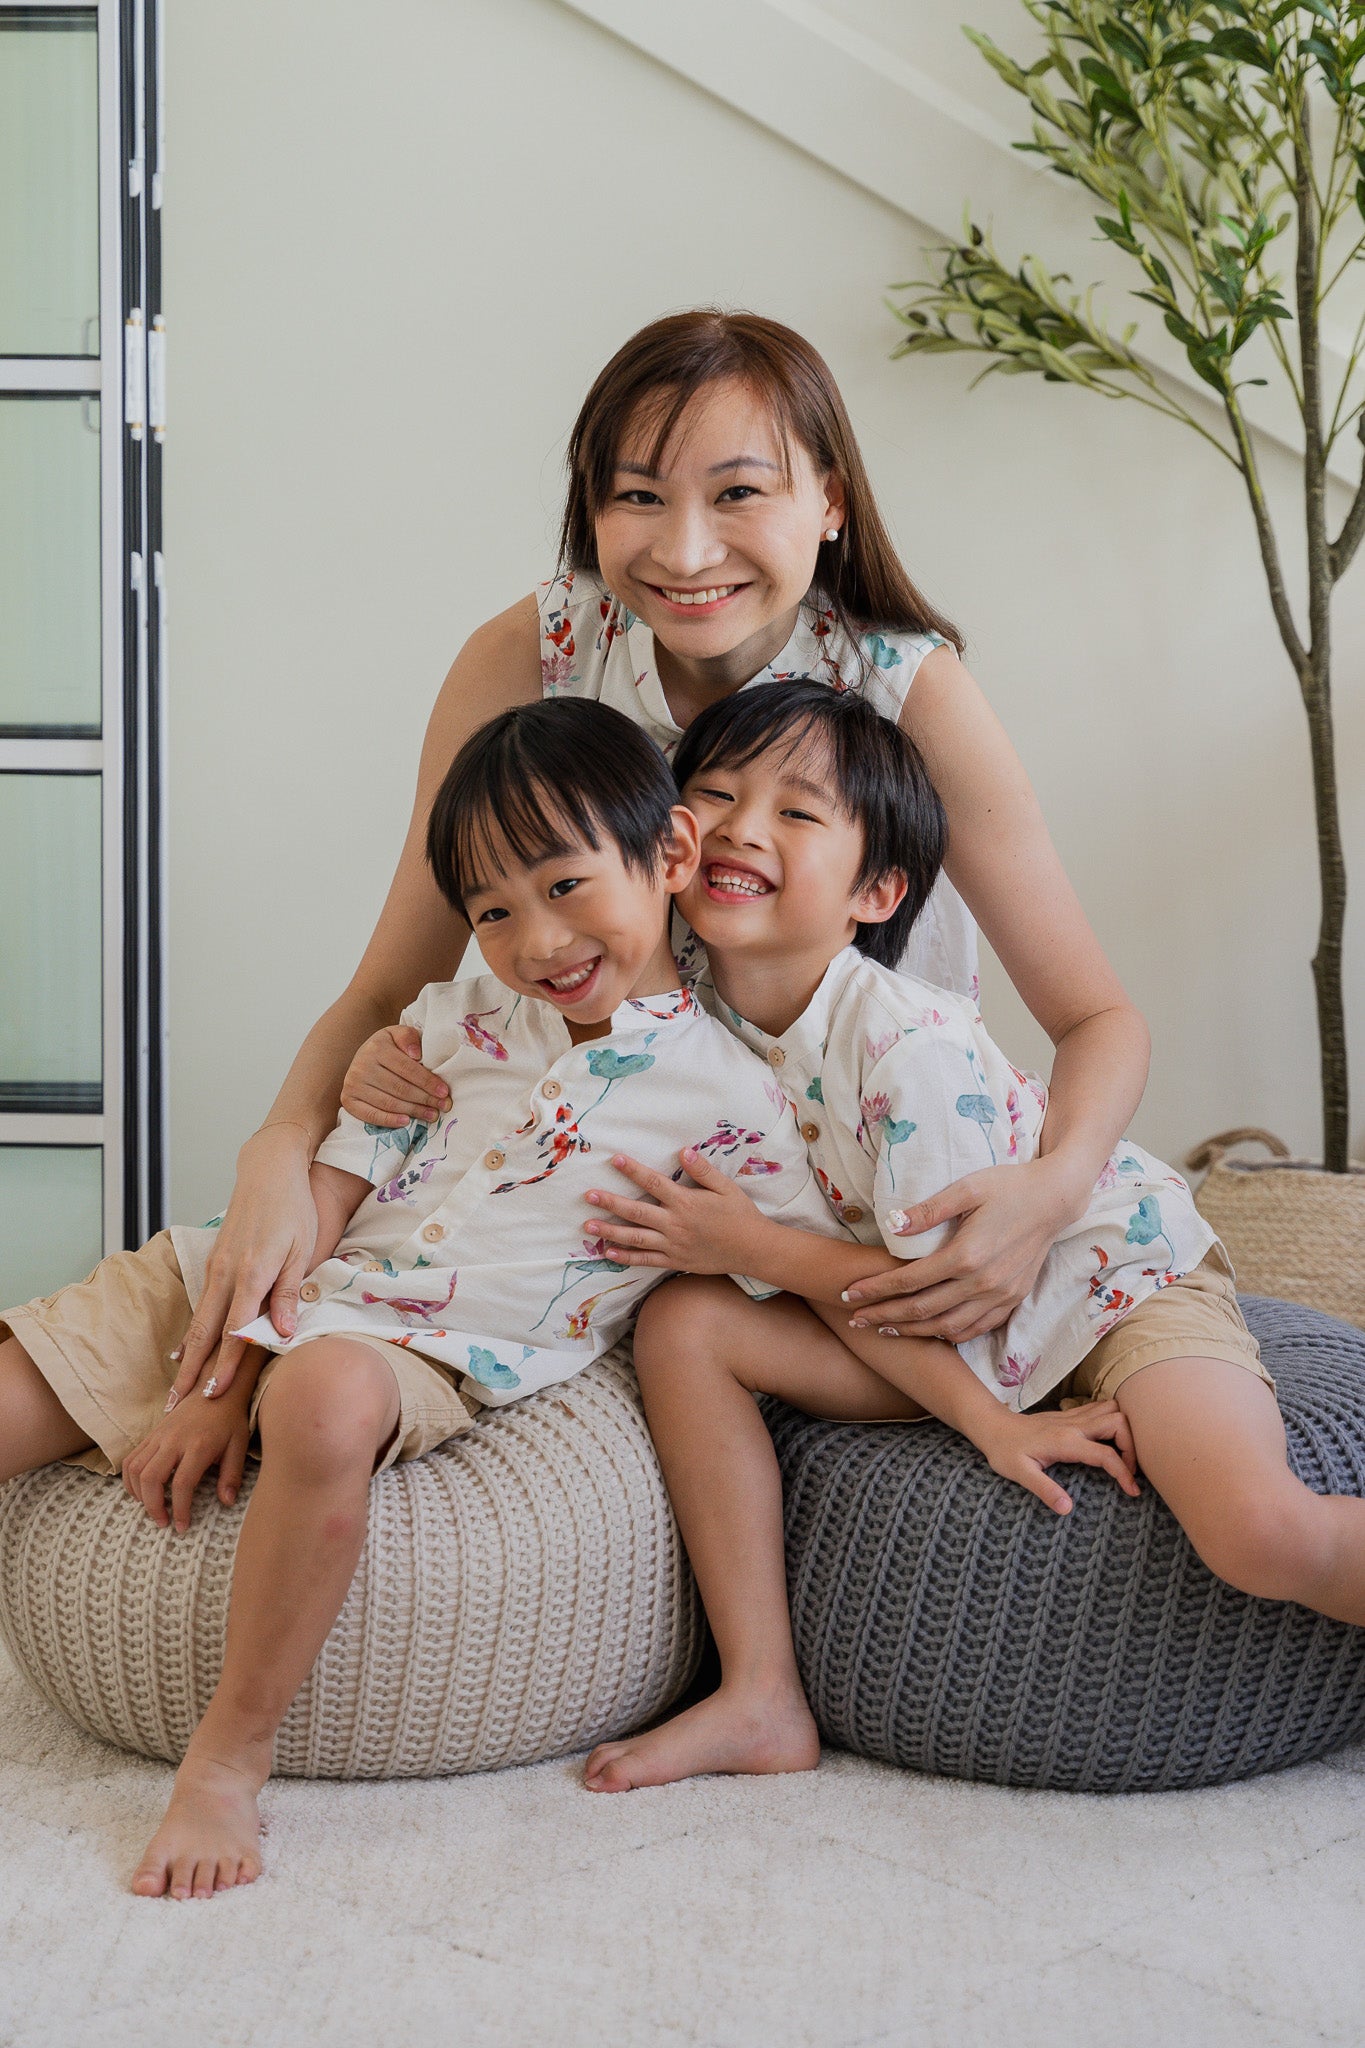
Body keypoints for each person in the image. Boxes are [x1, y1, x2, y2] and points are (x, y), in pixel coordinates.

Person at [171, 309, 1153, 1412]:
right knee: (209, 1321)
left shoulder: (903, 687)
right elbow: (390, 985)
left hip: (841, 1200)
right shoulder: (533, 655)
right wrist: (276, 1145)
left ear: (830, 500)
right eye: (637, 496)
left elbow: (1096, 1017)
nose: (684, 553)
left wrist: (1051, 1191)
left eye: (738, 493)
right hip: (596, 1182)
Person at [0, 698, 859, 1899]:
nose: (536, 938)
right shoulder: (447, 1026)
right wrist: (221, 1372)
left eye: (565, 884)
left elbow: (831, 1290)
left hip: (412, 1346)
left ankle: (227, 1760)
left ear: (670, 853)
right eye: (492, 912)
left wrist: (983, 1396)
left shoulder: (736, 1103)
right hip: (243, 1278)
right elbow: (325, 1202)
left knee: (325, 1398)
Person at [575, 683, 1365, 1795]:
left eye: (796, 812)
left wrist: (748, 1245)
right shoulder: (688, 1022)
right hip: (930, 1331)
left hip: (1102, 1286)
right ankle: (758, 1691)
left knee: (1257, 1531)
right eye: (714, 795)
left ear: (876, 891)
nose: (743, 827)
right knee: (683, 1323)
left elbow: (947, 1293)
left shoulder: (904, 1046)